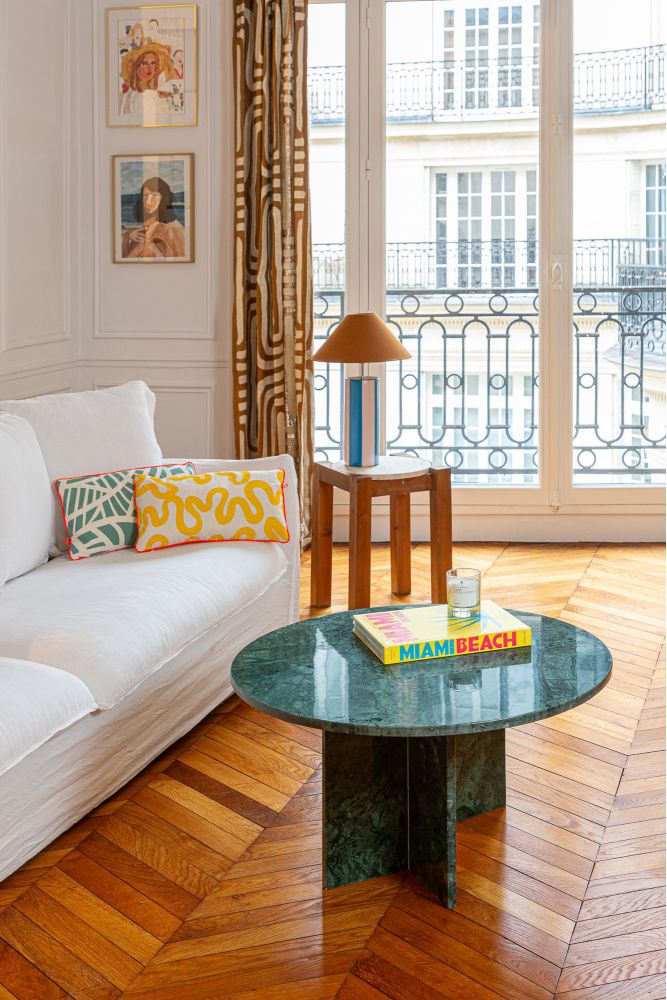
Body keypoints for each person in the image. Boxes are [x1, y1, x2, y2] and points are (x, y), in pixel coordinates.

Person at [121, 176, 186, 260]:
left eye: (154, 195)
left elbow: (180, 257)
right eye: (145, 196)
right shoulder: (148, 224)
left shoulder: (173, 228)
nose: (148, 202)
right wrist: (128, 234)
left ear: (163, 198)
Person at [119, 42, 172, 117]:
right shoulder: (132, 94)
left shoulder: (155, 86)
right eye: (144, 63)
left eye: (153, 63)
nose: (150, 68)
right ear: (136, 67)